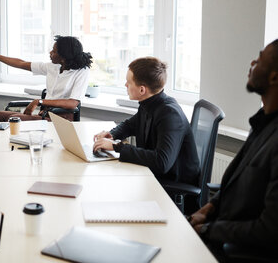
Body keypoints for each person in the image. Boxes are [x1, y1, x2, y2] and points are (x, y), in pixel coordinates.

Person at [188, 40, 278, 261]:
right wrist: (209, 207)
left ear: (274, 77)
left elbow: (269, 230)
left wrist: (206, 230)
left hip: (235, 250)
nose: (252, 62)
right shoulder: (262, 124)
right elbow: (236, 186)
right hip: (218, 231)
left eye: (259, 59)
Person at [93, 57, 200, 185]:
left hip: (171, 183)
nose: (125, 85)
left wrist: (117, 147)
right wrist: (112, 134)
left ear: (142, 90)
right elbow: (130, 125)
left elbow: (162, 162)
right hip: (153, 175)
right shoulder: (149, 103)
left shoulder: (170, 114)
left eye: (129, 82)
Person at [0, 35, 92, 121]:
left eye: (54, 51)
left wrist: (39, 101)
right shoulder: (52, 67)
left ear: (63, 57)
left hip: (61, 120)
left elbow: (73, 103)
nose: (50, 52)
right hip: (44, 115)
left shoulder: (81, 72)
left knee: (13, 120)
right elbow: (21, 63)